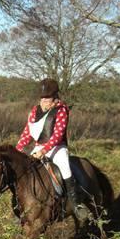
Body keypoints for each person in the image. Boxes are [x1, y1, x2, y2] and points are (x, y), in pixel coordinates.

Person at [15, 78, 88, 220]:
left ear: (55, 98)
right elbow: (27, 132)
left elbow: (57, 135)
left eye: (47, 98)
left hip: (57, 147)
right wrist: (17, 149)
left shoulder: (62, 110)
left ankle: (76, 204)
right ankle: (21, 207)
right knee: (24, 170)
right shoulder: (35, 110)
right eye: (42, 98)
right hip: (38, 147)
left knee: (65, 168)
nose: (43, 101)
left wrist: (43, 151)